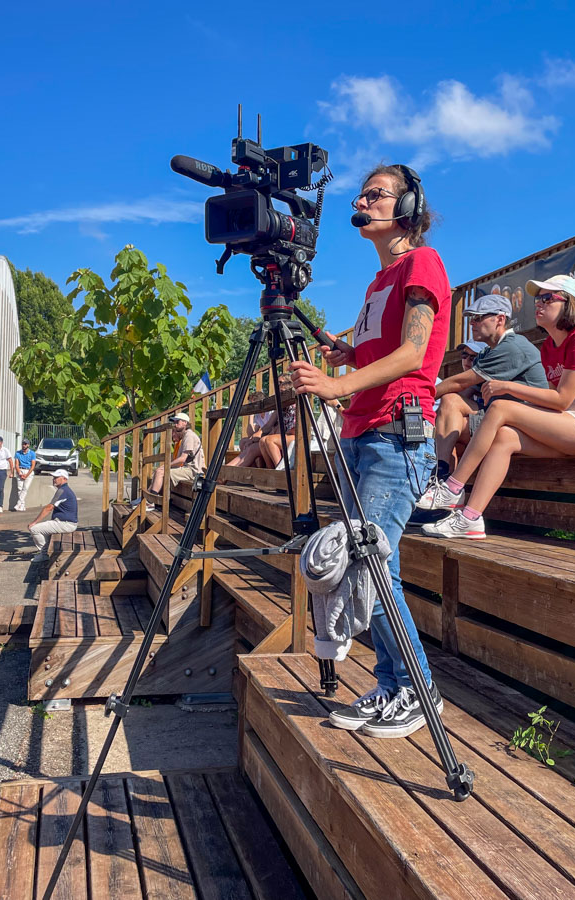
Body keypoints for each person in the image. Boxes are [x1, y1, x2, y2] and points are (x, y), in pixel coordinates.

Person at [288, 163, 447, 739]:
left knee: (371, 568)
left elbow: (413, 354)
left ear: (407, 208)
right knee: (371, 569)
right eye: (361, 195)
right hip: (362, 432)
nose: (361, 202)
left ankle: (416, 689)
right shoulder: (378, 282)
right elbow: (380, 350)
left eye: (375, 194)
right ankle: (392, 684)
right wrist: (348, 354)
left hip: (394, 436)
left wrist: (336, 386)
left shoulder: (422, 262)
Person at [421, 274, 575, 540]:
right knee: (505, 437)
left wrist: (507, 387)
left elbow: (562, 399)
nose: (538, 303)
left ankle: (452, 487)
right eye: (537, 299)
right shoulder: (549, 346)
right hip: (570, 421)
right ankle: (470, 518)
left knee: (501, 408)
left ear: (570, 304)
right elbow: (553, 400)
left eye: (547, 298)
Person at [421, 293, 547, 489]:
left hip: (529, 425)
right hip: (503, 418)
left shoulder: (512, 346)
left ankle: (441, 482)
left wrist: (420, 397)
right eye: (472, 318)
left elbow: (460, 382)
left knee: (451, 423)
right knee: (450, 409)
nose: (472, 323)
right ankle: (441, 480)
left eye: (478, 318)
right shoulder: (489, 352)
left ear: (500, 319)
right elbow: (462, 393)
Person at [147, 412, 204, 512]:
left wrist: (166, 466)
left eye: (177, 421)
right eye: (174, 422)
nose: (175, 424)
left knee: (160, 472)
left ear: (185, 423)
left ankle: (150, 502)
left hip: (193, 471)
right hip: (188, 469)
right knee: (158, 471)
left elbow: (182, 459)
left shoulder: (189, 436)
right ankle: (149, 498)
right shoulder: (186, 436)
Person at [28, 469, 78, 562]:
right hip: (65, 523)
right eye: (54, 477)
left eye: (56, 477)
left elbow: (49, 508)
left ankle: (44, 554)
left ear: (64, 478)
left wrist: (34, 522)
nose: (54, 479)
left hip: (66, 524)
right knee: (44, 530)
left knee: (34, 529)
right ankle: (46, 551)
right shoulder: (64, 490)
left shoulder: (62, 491)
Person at [230, 391, 271, 468]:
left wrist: (252, 439)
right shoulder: (258, 416)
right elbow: (251, 434)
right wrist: (251, 415)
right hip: (262, 437)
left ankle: (235, 467)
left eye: (252, 404)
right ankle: (251, 467)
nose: (251, 407)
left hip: (268, 438)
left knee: (250, 446)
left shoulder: (269, 413)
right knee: (243, 442)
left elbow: (267, 429)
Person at [258, 402, 296, 469]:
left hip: (297, 435)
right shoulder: (282, 407)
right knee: (262, 441)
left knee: (270, 440)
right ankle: (271, 469)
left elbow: (298, 428)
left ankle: (281, 469)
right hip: (286, 435)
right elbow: (270, 426)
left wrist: (286, 432)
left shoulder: (296, 406)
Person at [11, 438, 37, 512]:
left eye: (25, 444)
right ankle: (22, 505)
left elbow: (33, 465)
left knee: (25, 488)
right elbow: (16, 464)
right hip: (20, 470)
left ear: (28, 445)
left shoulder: (32, 453)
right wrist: (19, 473)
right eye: (23, 444)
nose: (23, 445)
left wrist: (27, 475)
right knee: (19, 488)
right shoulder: (18, 453)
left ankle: (18, 503)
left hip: (28, 471)